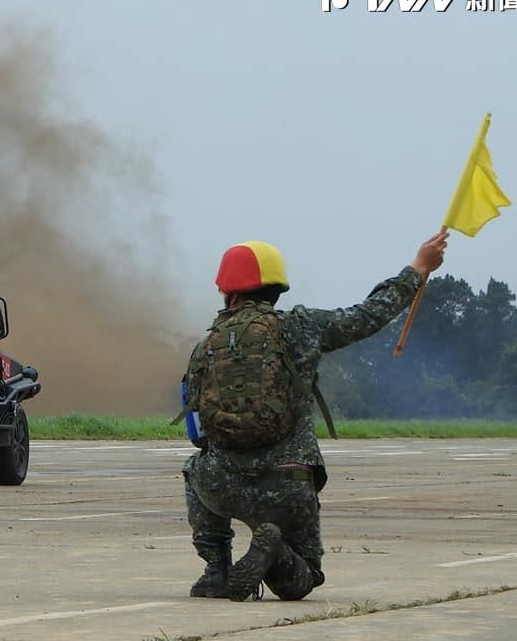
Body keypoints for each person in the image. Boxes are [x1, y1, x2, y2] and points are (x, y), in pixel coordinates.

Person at [182, 231, 448, 602]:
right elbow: (367, 316)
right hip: (289, 482)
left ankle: (216, 570)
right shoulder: (299, 327)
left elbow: (197, 430)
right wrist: (418, 268)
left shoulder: (204, 347)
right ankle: (274, 549)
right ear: (276, 288)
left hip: (223, 484)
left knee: (194, 467)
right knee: (304, 578)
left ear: (228, 289)